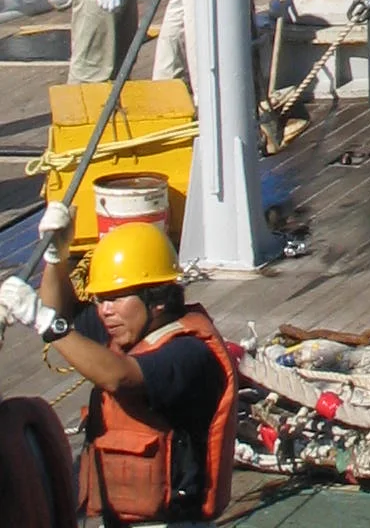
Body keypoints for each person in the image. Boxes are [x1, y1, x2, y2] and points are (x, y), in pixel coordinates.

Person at [0, 213, 236, 523]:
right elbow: (62, 314)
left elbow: (119, 377)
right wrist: (56, 258)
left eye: (115, 299)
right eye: (101, 299)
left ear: (157, 300)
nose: (105, 310)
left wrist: (45, 322)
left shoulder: (188, 355)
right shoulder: (125, 329)